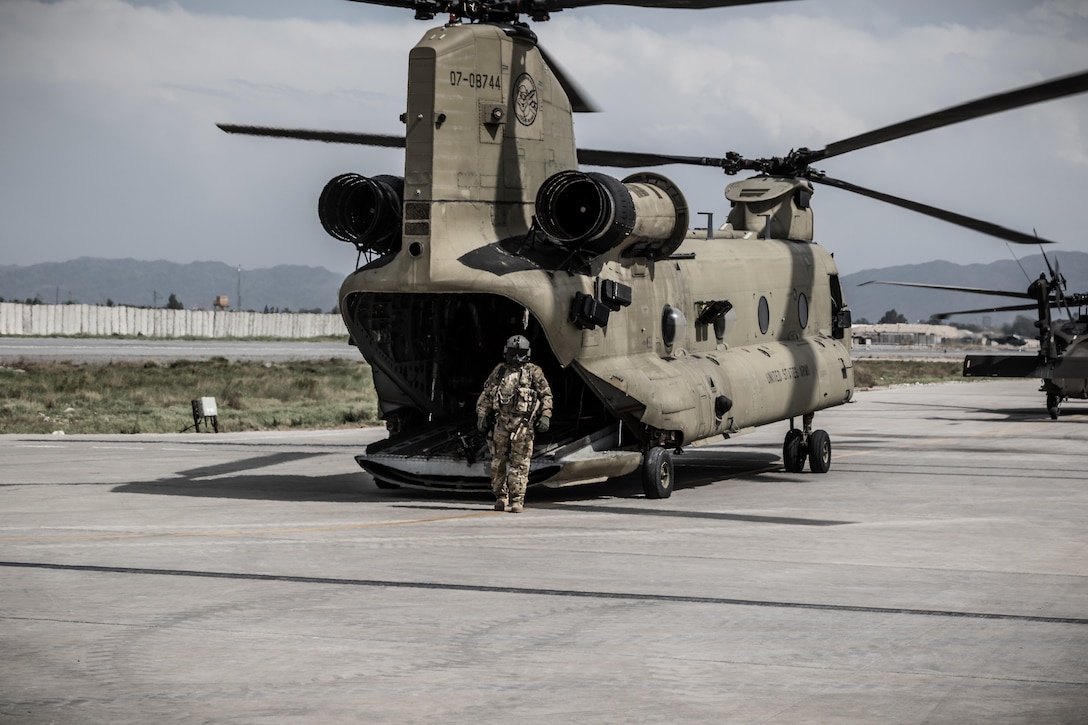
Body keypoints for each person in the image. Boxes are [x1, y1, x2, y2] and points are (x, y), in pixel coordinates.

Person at [476, 335, 553, 513]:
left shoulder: (533, 372)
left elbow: (545, 395)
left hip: (523, 426)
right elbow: (487, 393)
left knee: (520, 463)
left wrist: (545, 415)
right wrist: (482, 414)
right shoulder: (500, 371)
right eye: (513, 353)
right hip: (501, 423)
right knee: (497, 462)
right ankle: (500, 497)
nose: (516, 357)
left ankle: (517, 500)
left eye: (520, 353)